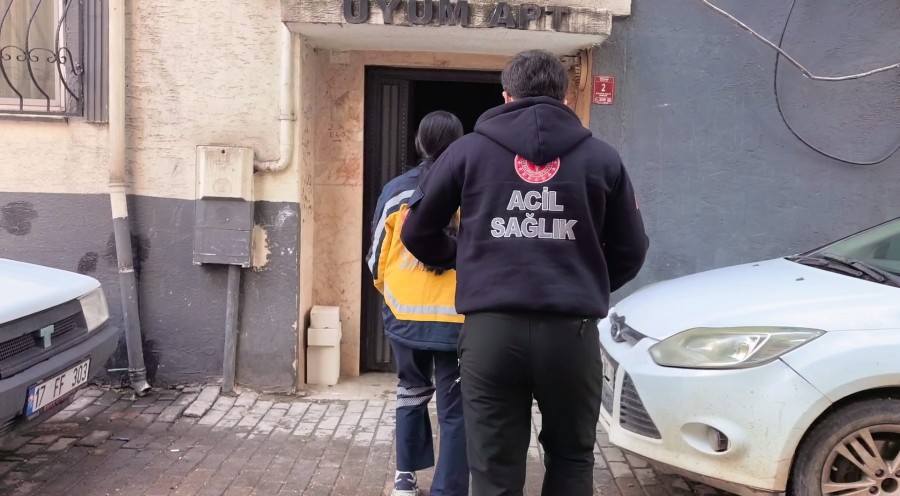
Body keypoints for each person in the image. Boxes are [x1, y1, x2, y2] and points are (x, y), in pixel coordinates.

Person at [400, 50, 649, 495]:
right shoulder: (602, 159)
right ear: (566, 97)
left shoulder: (466, 153)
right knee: (572, 459)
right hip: (571, 333)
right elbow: (631, 249)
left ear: (506, 95)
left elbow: (417, 231)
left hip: (491, 333)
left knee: (493, 469)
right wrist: (584, 280)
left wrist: (464, 259)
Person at [367, 110, 469, 496]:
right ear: (460, 144)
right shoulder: (473, 189)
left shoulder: (396, 191)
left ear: (419, 143)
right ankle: (450, 488)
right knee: (455, 406)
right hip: (457, 318)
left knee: (410, 390)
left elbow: (376, 256)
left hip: (404, 311)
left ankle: (405, 479)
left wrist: (391, 291)